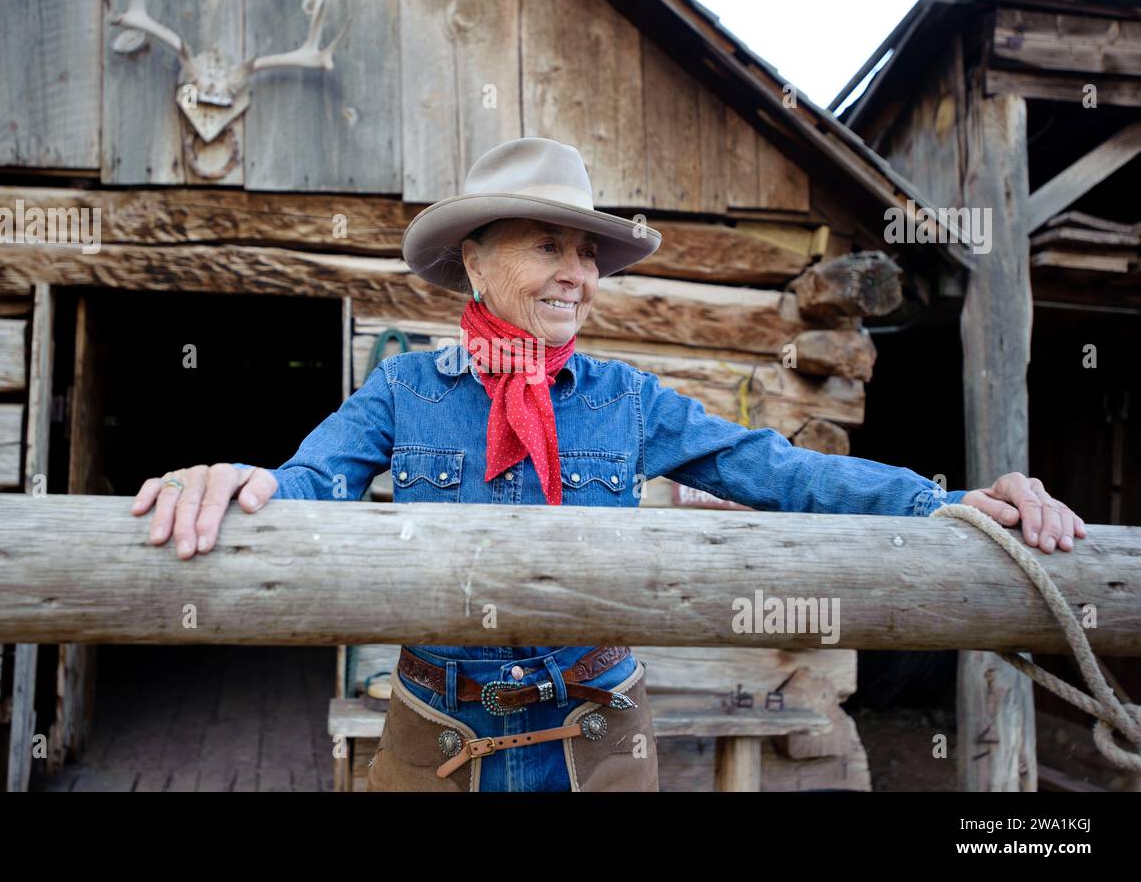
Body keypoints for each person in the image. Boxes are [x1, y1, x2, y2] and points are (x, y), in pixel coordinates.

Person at [131, 136, 1086, 792]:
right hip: (435, 729)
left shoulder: (626, 398)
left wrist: (948, 501)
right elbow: (309, 483)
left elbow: (777, 470)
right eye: (549, 245)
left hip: (595, 732)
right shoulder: (405, 389)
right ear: (475, 264)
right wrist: (235, 480)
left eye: (588, 254)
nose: (579, 275)